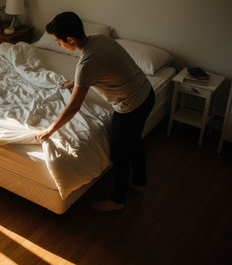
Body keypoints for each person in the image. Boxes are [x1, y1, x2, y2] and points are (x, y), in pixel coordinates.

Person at [35, 11, 155, 211]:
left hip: (130, 106)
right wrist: (75, 82)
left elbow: (74, 107)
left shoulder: (87, 63)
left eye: (58, 41)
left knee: (119, 152)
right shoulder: (101, 40)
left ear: (70, 39)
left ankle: (118, 201)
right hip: (147, 94)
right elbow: (106, 65)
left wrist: (49, 130)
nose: (58, 45)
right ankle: (140, 183)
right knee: (134, 140)